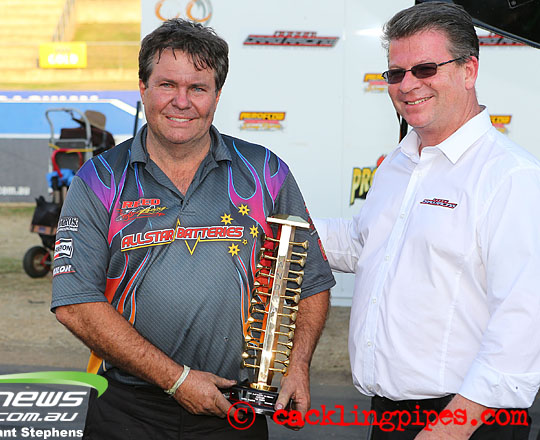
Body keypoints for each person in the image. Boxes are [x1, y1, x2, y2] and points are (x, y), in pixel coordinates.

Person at [51, 18, 335, 439]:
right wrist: (178, 380)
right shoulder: (100, 179)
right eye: (167, 85)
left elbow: (310, 281)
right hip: (129, 410)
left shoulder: (265, 172)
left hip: (233, 410)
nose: (181, 102)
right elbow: (75, 303)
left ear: (217, 96)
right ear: (143, 87)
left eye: (198, 88)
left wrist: (297, 366)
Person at [316, 2, 540, 439]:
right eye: (396, 73)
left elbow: (523, 322)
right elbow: (366, 245)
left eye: (425, 69)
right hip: (391, 417)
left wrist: (449, 430)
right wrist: (272, 225)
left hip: (467, 422)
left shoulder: (511, 177)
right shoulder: (400, 163)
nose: (408, 85)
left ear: (469, 70)